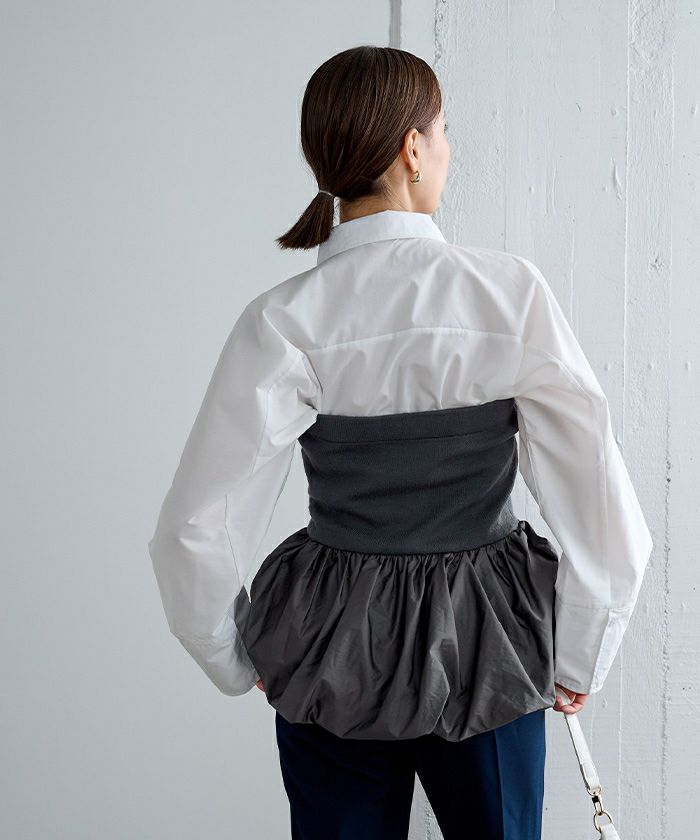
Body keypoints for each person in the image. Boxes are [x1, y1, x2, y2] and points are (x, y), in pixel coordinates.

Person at [148, 45, 653, 840]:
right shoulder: (507, 292)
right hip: (490, 643)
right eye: (443, 130)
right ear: (413, 148)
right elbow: (596, 498)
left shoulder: (283, 319)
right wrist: (577, 655)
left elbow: (192, 527)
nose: (447, 148)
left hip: (331, 646)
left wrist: (234, 655)